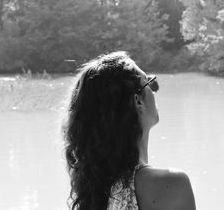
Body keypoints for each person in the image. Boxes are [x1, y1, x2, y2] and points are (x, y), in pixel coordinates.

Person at [63, 51, 196, 210]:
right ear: (138, 101)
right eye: (149, 83)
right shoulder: (171, 185)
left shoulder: (95, 191)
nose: (154, 91)